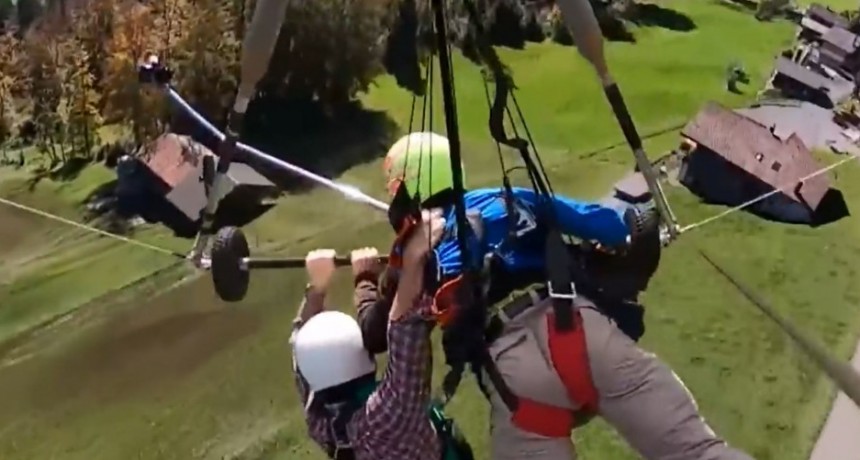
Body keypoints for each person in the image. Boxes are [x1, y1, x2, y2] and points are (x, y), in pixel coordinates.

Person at [353, 131, 753, 460]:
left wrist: (366, 278)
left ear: (403, 190)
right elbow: (613, 228)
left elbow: (375, 334)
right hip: (581, 330)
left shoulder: (413, 253)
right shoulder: (510, 199)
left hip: (513, 379)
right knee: (700, 453)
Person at [291, 210, 472, 460]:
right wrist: (411, 258)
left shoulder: (323, 425)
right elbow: (405, 328)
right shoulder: (388, 414)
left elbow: (303, 350)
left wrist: (317, 286)